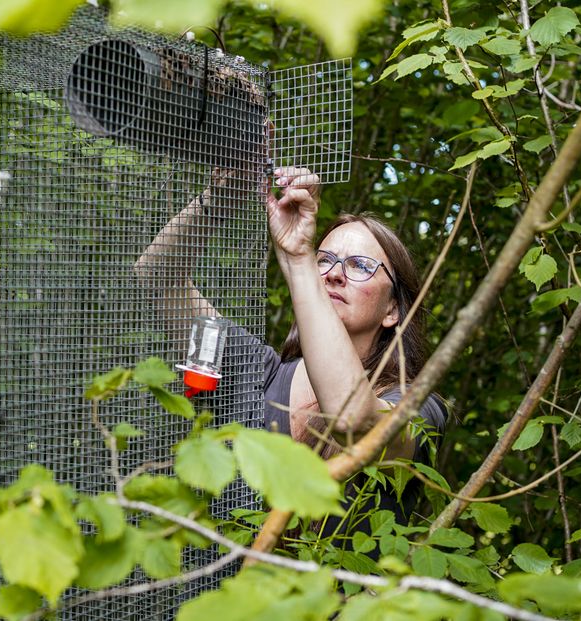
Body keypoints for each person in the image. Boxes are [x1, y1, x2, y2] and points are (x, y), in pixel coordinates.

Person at [135, 166, 446, 547]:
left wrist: (300, 259)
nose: (333, 274)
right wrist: (221, 199)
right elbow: (156, 275)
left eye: (360, 266)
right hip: (227, 602)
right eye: (325, 260)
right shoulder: (251, 370)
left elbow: (352, 419)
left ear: (392, 311)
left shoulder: (419, 409)